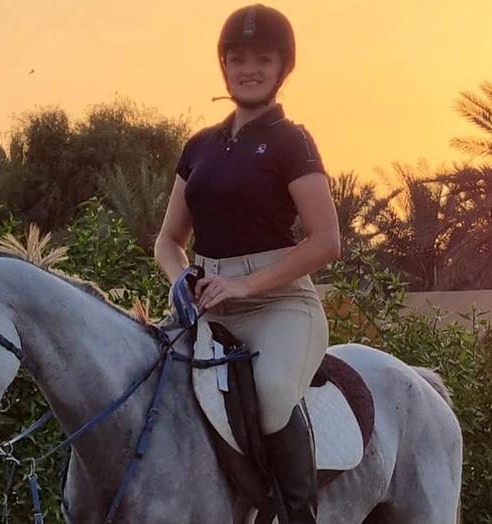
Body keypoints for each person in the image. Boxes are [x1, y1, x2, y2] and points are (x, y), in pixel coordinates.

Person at [154, 4, 340, 523]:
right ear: (224, 66)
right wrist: (181, 280)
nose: (248, 68)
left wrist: (244, 285)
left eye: (262, 58)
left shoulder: (292, 142)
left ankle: (296, 514)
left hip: (281, 306)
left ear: (284, 68)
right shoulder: (199, 147)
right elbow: (168, 241)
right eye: (237, 59)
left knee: (273, 391)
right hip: (207, 307)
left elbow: (326, 241)